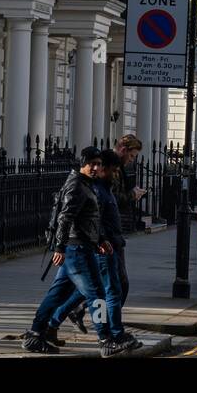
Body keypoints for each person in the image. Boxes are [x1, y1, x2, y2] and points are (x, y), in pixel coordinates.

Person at [22, 147, 124, 357]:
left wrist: (101, 239)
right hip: (77, 250)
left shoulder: (86, 184)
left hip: (83, 247)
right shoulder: (77, 185)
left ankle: (34, 335)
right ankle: (106, 340)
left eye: (98, 164)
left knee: (56, 295)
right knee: (98, 295)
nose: (96, 168)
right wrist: (59, 247)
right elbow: (65, 218)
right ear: (83, 164)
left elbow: (88, 218)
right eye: (92, 164)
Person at [60, 150, 140, 350]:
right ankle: (109, 336)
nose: (114, 175)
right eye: (112, 170)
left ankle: (52, 322)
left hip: (100, 246)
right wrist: (60, 247)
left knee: (93, 293)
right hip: (94, 249)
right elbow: (74, 219)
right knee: (105, 294)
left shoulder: (101, 188)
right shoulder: (89, 189)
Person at [110, 133, 145, 303]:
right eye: (131, 155)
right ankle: (108, 325)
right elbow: (111, 200)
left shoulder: (117, 168)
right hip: (108, 233)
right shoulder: (113, 170)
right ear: (123, 150)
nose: (132, 160)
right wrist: (132, 195)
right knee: (119, 283)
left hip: (113, 231)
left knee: (109, 283)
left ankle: (107, 323)